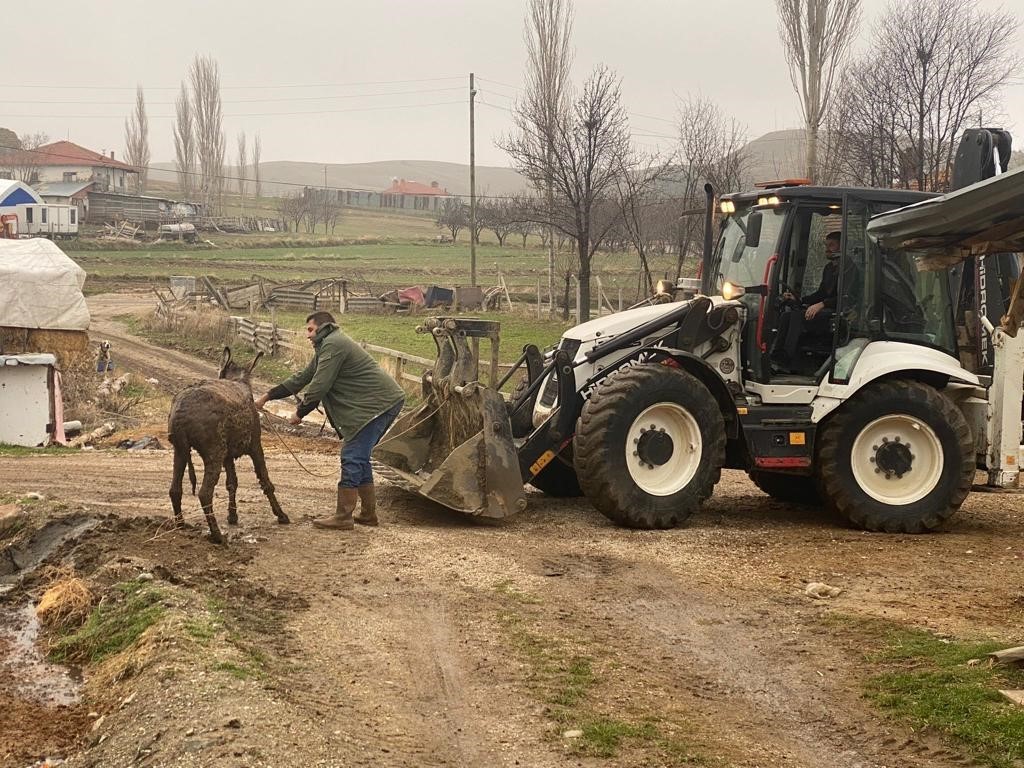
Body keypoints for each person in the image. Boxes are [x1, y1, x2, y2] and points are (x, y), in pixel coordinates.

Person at [254, 311, 405, 531]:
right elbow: (302, 378)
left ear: (323, 328)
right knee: (360, 457)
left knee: (352, 455)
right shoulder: (328, 346)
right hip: (377, 405)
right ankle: (368, 514)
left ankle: (344, 516)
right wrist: (267, 396)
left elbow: (319, 386)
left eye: (310, 329)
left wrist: (300, 412)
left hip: (378, 405)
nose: (307, 335)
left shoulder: (333, 346)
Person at [773, 230, 843, 369]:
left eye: (832, 245)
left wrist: (822, 305)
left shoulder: (848, 268)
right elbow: (821, 293)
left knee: (798, 316)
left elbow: (846, 296)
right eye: (826, 245)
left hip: (838, 312)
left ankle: (787, 359)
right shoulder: (829, 268)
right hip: (825, 307)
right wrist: (799, 299)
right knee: (787, 315)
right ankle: (776, 355)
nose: (827, 249)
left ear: (843, 246)